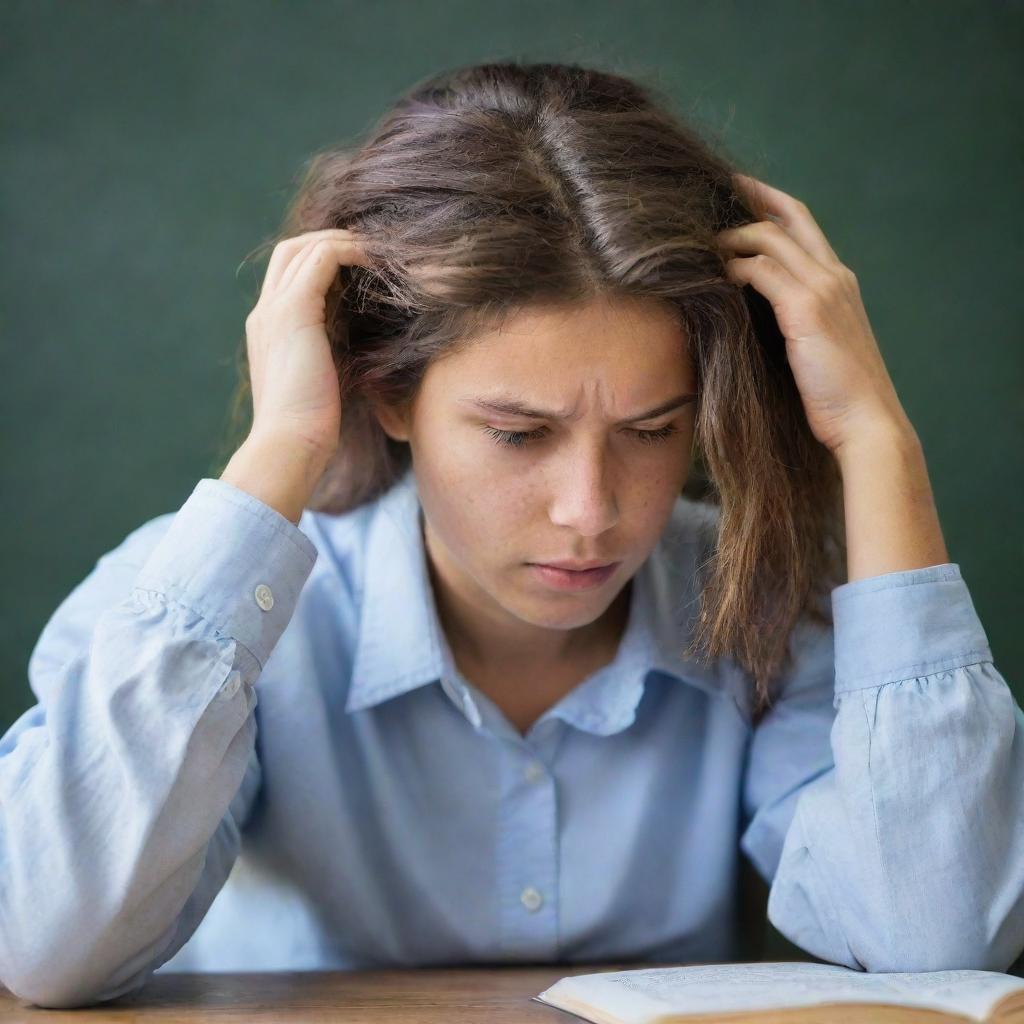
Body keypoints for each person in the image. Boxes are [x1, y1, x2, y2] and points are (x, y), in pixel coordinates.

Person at [2, 61, 1022, 1009]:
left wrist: (877, 441)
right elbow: (46, 944)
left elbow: (937, 936)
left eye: (652, 429)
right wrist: (288, 443)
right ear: (385, 392)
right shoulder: (199, 603)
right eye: (517, 433)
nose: (590, 509)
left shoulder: (758, 593)